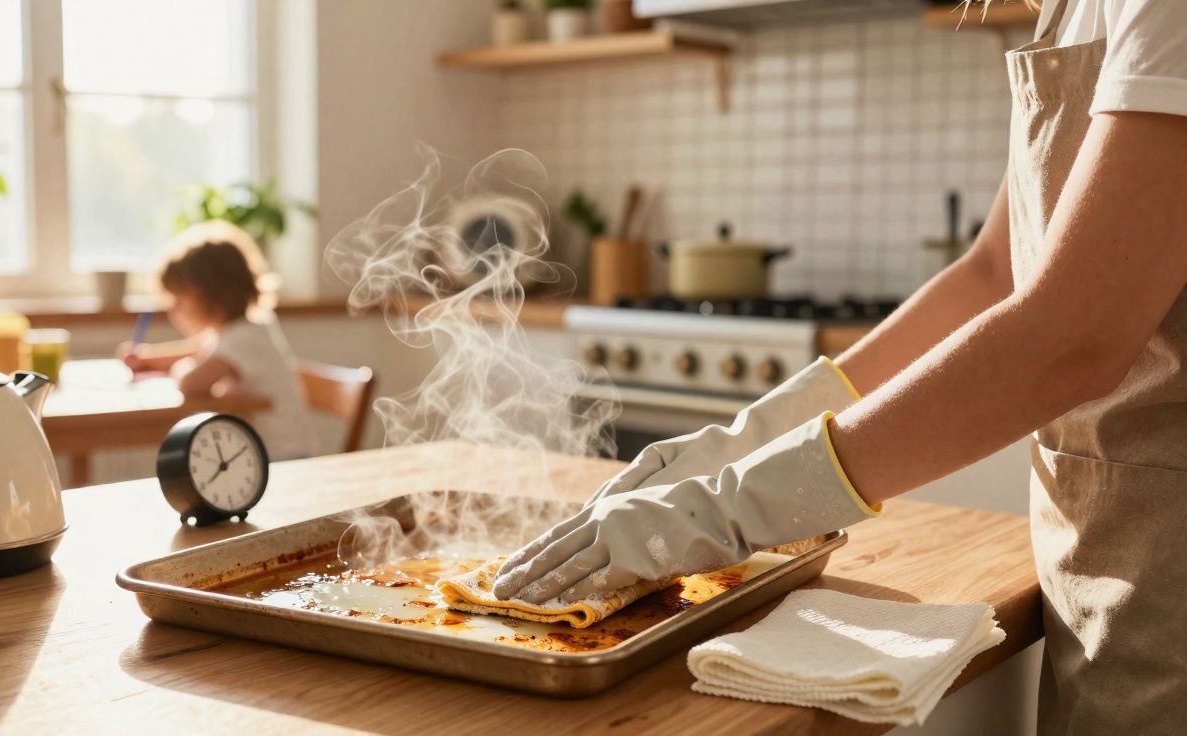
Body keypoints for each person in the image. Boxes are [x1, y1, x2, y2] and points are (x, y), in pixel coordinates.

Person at [493, 0, 1187, 732]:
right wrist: (750, 437)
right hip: (1105, 565)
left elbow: (1073, 333)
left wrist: (734, 506)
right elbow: (993, 273)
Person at [122, 220, 316, 461]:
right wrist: (147, 360)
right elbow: (198, 351)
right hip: (267, 456)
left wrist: (181, 369)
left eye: (179, 300)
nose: (174, 311)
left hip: (280, 461)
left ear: (214, 295)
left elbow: (190, 384)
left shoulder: (244, 339)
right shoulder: (245, 329)